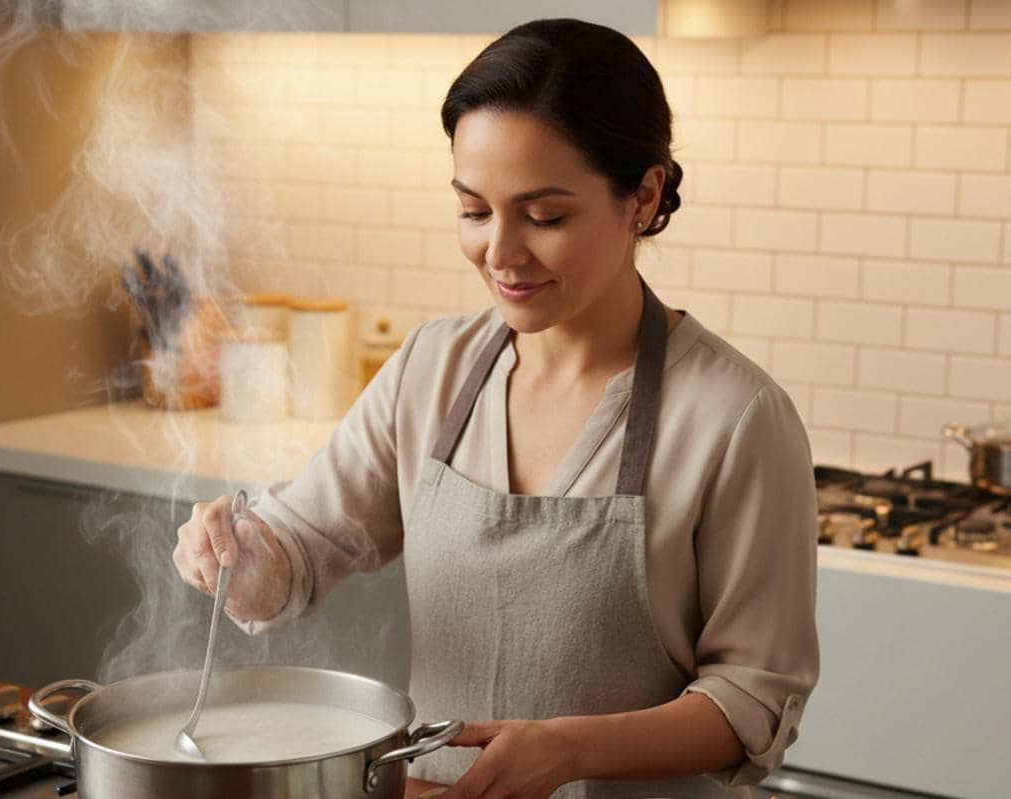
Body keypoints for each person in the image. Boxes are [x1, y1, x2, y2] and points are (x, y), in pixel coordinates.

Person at [174, 17, 819, 799]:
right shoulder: (432, 370)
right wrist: (236, 553)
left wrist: (568, 750)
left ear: (642, 197)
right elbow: (299, 551)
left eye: (544, 216)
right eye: (474, 211)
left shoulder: (736, 416)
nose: (501, 253)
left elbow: (754, 700)